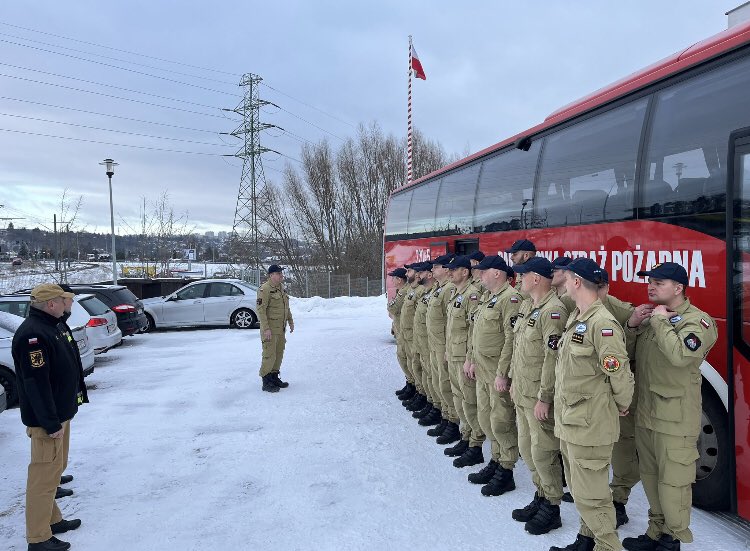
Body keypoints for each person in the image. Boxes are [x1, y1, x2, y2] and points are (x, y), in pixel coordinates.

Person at [623, 263, 718, 551]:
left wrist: (661, 322)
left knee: (673, 483)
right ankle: (655, 532)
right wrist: (632, 325)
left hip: (675, 419)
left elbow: (680, 356)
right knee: (651, 478)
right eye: (650, 282)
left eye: (659, 282)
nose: (651, 287)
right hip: (646, 414)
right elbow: (626, 356)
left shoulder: (698, 322)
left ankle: (672, 538)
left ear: (678, 288)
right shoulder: (654, 317)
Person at [551, 258, 634, 551]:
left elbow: (618, 372)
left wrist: (621, 404)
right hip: (572, 421)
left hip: (590, 424)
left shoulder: (602, 324)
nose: (563, 282)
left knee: (593, 497)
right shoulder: (579, 317)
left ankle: (608, 546)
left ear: (576, 282)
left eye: (567, 278)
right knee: (580, 489)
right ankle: (587, 540)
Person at [12, 284, 88, 551]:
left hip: (59, 415)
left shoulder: (51, 326)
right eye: (64, 300)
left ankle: (52, 521)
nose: (69, 304)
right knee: (43, 480)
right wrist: (50, 422)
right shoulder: (33, 335)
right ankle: (38, 538)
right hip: (48, 422)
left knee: (54, 471)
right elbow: (36, 384)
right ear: (51, 304)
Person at [508, 257, 569, 535]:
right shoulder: (527, 306)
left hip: (537, 396)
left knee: (543, 452)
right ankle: (541, 494)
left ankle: (552, 506)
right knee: (527, 449)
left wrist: (545, 397)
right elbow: (518, 347)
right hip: (522, 391)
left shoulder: (553, 311)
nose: (519, 279)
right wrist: (512, 379)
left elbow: (551, 359)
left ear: (537, 279)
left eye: (524, 274)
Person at [467, 255, 522, 496]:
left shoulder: (511, 298)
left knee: (502, 421)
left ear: (497, 273)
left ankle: (506, 469)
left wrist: (503, 373)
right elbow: (476, 333)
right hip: (482, 369)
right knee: (486, 418)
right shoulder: (488, 297)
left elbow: (511, 339)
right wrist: (471, 358)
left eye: (484, 271)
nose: (479, 275)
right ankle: (496, 459)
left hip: (496, 371)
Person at [443, 255, 485, 465]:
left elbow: (473, 331)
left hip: (464, 357)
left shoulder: (472, 295)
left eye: (453, 269)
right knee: (459, 399)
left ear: (465, 272)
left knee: (469, 402)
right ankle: (465, 436)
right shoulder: (455, 293)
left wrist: (470, 358)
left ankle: (475, 445)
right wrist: (447, 350)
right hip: (454, 353)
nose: (449, 273)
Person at [426, 254, 460, 443]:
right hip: (435, 343)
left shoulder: (448, 290)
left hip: (444, 345)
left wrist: (447, 347)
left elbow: (450, 323)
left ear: (446, 270)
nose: (432, 270)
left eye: (436, 267)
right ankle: (446, 416)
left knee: (447, 384)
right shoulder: (439, 289)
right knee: (440, 382)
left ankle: (453, 421)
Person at [412, 262, 442, 426]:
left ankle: (446, 416)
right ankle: (433, 404)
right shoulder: (430, 292)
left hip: (440, 346)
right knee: (430, 376)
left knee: (441, 381)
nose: (418, 275)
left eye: (421, 273)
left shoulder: (444, 291)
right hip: (425, 341)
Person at [257, 265, 294, 393]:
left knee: (278, 354)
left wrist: (290, 321)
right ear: (271, 275)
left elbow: (286, 307)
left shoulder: (281, 288)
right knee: (269, 355)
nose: (281, 276)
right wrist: (266, 328)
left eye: (281, 273)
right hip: (270, 330)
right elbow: (261, 310)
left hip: (280, 329)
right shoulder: (265, 289)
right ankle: (266, 381)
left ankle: (274, 377)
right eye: (278, 273)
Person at [400, 264, 424, 410]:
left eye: (409, 271)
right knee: (411, 364)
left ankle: (423, 395)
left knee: (418, 366)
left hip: (418, 336)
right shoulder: (411, 290)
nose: (406, 274)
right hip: (408, 334)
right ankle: (417, 390)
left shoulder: (421, 291)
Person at [388, 268, 413, 400]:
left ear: (399, 280)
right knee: (403, 358)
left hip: (406, 332)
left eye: (394, 278)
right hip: (401, 330)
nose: (392, 280)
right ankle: (410, 384)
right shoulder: (401, 291)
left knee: (406, 359)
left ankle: (413, 386)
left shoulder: (404, 292)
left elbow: (393, 308)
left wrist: (390, 306)